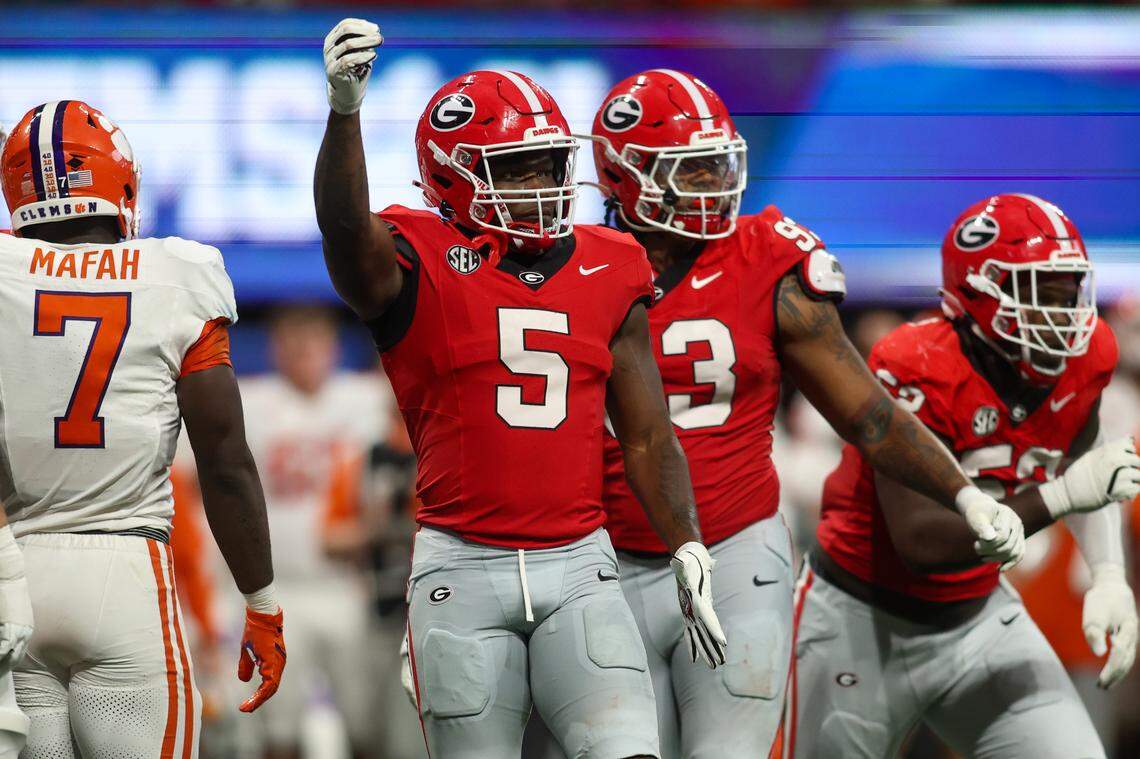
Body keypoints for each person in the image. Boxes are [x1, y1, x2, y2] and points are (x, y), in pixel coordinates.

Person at [542, 70, 1030, 759]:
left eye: (719, 163)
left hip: (736, 548)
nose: (715, 183)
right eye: (692, 169)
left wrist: (963, 495)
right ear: (627, 175)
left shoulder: (766, 258)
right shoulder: (571, 265)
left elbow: (869, 416)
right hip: (600, 556)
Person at [316, 19, 727, 759]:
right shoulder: (416, 256)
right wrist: (345, 114)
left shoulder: (612, 263)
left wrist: (685, 540)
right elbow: (346, 237)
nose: (541, 185)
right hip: (460, 568)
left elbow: (645, 432)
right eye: (516, 169)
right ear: (450, 174)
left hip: (579, 562)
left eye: (546, 163)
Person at [791, 194, 1140, 759]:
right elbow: (922, 541)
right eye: (1040, 293)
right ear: (977, 292)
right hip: (859, 618)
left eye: (1068, 290)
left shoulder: (1086, 354)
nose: (1064, 313)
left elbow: (1085, 468)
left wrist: (1107, 575)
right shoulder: (913, 362)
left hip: (978, 616)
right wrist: (1060, 497)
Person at [0, 99, 286, 757]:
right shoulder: (178, 272)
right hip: (126, 576)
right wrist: (261, 598)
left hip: (15, 573)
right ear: (121, 182)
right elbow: (223, 457)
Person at [239, 305, 388, 759]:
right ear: (274, 348)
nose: (304, 350)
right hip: (277, 589)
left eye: (314, 339)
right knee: (277, 725)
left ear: (334, 347)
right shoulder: (250, 400)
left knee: (365, 723)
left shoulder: (365, 398)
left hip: (347, 584)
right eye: (292, 339)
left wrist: (374, 528)